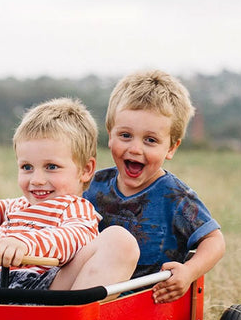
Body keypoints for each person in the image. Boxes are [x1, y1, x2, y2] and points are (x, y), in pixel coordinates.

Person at [0, 97, 139, 292]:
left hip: (42, 289)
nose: (37, 180)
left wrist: (24, 244)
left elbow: (73, 238)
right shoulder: (20, 205)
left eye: (51, 167)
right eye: (27, 167)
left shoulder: (74, 208)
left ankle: (64, 319)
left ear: (85, 170)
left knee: (120, 240)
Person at [84, 70, 225, 304]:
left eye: (150, 140)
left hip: (146, 303)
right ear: (110, 135)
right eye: (126, 135)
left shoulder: (175, 196)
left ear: (171, 148)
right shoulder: (92, 185)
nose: (135, 149)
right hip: (93, 296)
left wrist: (188, 272)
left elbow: (215, 241)